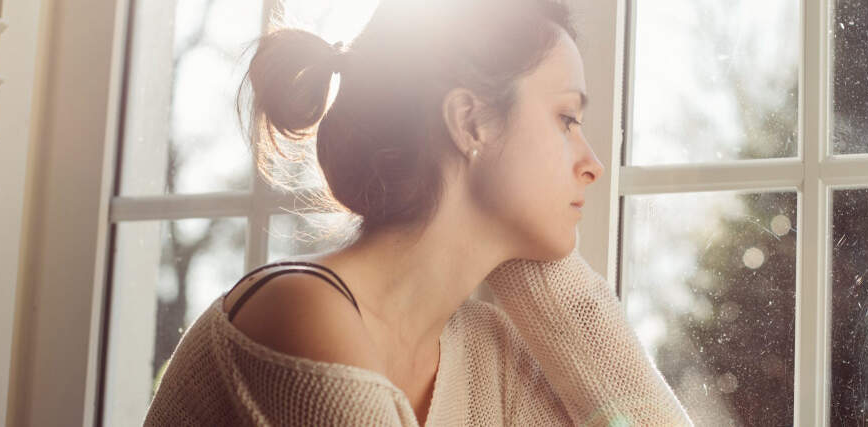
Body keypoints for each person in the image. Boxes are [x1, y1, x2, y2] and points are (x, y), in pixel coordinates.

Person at [144, 0, 691, 425]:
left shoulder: (484, 351)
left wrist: (546, 280)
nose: (592, 163)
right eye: (567, 118)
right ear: (471, 123)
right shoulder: (302, 314)